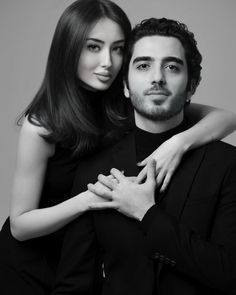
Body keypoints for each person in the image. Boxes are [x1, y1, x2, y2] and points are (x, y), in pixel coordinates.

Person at [0, 0, 235, 293]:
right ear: (69, 49)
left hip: (77, 249)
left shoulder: (127, 104)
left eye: (118, 48)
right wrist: (90, 198)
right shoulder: (44, 126)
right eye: (93, 47)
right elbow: (20, 227)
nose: (107, 62)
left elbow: (227, 117)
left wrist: (178, 143)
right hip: (30, 256)